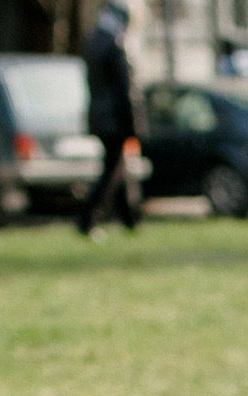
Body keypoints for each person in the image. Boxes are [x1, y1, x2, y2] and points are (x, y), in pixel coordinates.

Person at [80, 3, 141, 237]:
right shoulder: (115, 45)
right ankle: (88, 219)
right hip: (115, 120)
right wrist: (132, 128)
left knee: (118, 168)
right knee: (111, 171)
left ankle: (130, 219)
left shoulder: (92, 42)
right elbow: (125, 91)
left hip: (99, 118)